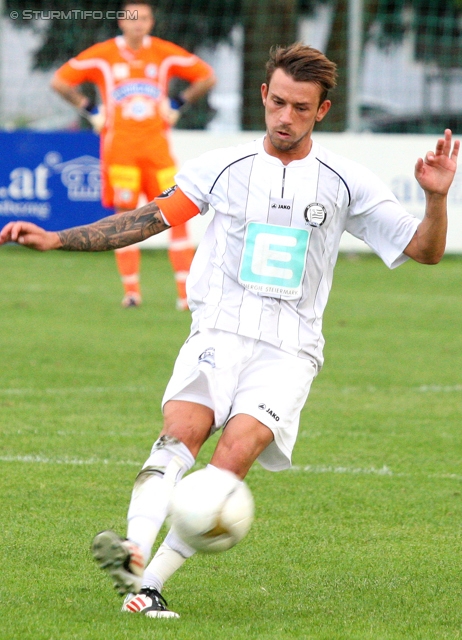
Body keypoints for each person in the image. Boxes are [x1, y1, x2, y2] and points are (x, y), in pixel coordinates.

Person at [1, 43, 459, 619]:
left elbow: (426, 250)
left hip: (291, 348)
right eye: (278, 102)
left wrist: (436, 199)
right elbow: (142, 220)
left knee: (236, 456)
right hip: (221, 326)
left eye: (300, 107)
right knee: (181, 433)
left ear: (322, 111)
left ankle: (150, 585)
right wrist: (57, 238)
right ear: (264, 96)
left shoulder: (347, 181)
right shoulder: (220, 168)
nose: (285, 117)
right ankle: (134, 551)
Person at [51, 0, 216, 309]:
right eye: (132, 19)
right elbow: (59, 81)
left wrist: (178, 103)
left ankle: (186, 295)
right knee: (125, 219)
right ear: (121, 23)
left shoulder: (164, 54)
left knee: (177, 215)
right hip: (121, 153)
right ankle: (131, 293)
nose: (138, 24)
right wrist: (90, 110)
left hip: (158, 153)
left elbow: (207, 76)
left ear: (151, 23)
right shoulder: (103, 56)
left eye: (144, 18)